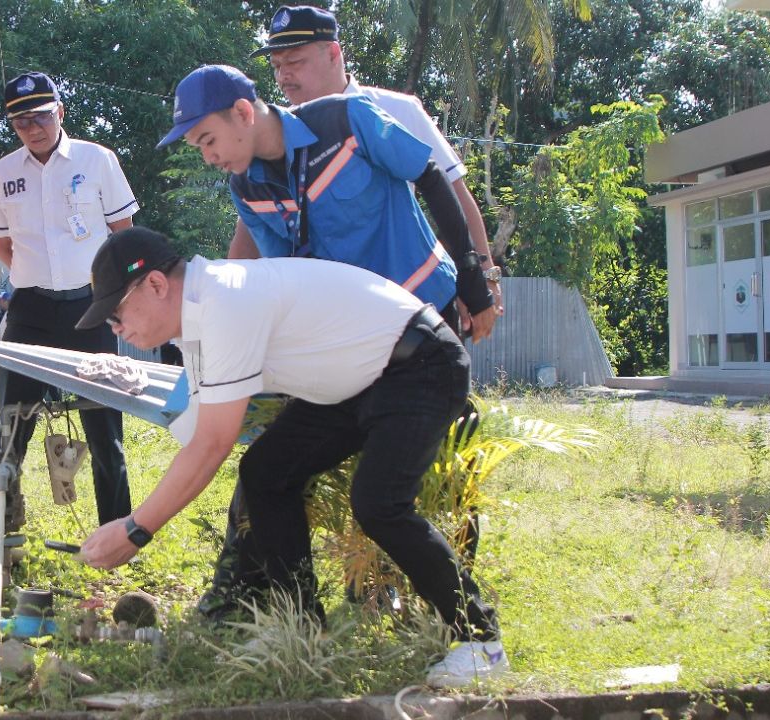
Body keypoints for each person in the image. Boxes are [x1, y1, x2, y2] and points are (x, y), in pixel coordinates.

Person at [75, 226, 508, 688]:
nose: (116, 329)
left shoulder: (226, 302)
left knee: (380, 504)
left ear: (156, 285)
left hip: (422, 365)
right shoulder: (198, 320)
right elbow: (198, 439)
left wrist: (137, 528)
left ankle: (481, 639)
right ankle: (305, 629)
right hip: (362, 380)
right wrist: (138, 521)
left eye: (117, 313)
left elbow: (211, 446)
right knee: (265, 471)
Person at [158, 62, 497, 618]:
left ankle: (454, 603)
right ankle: (306, 614)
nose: (208, 156)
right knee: (275, 469)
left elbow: (432, 178)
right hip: (351, 346)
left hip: (424, 331)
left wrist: (474, 278)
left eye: (208, 139)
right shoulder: (248, 186)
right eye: (199, 146)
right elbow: (282, 276)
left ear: (244, 113)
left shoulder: (347, 120)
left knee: (434, 474)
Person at [240, 4, 504, 339]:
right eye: (276, 66)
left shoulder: (395, 110)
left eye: (294, 61)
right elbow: (249, 236)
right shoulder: (279, 139)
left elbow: (454, 194)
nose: (283, 76)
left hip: (418, 309)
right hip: (341, 325)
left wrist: (481, 279)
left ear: (333, 53)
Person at [0, 71, 140, 525]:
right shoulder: (3, 173)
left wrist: (117, 295)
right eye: (21, 122)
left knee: (105, 425)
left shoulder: (97, 160)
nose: (33, 128)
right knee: (11, 424)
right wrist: (33, 278)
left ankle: (117, 531)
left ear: (60, 113)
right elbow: (2, 243)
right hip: (31, 310)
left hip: (89, 307)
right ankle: (4, 523)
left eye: (40, 116)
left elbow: (122, 236)